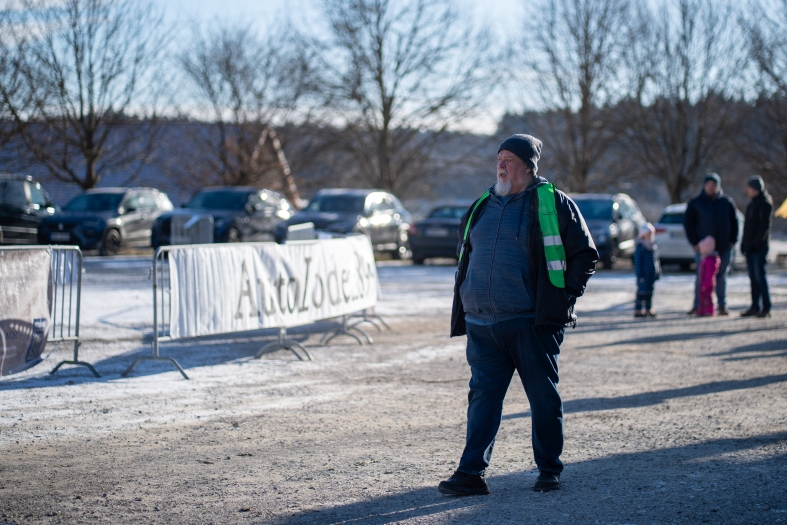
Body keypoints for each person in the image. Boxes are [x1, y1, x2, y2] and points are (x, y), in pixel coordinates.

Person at [439, 134, 598, 496]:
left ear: (528, 166)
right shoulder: (482, 203)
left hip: (531, 323)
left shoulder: (552, 203)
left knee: (542, 398)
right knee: (482, 399)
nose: (501, 165)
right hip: (482, 324)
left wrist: (563, 299)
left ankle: (549, 470)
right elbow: (466, 251)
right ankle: (470, 473)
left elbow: (585, 254)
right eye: (499, 158)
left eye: (509, 159)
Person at [683, 173, 739, 316]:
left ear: (718, 186)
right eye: (708, 184)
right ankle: (698, 305)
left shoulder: (726, 202)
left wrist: (732, 241)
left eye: (714, 185)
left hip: (724, 247)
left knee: (721, 277)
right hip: (704, 250)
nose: (711, 187)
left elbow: (735, 222)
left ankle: (722, 305)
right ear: (704, 185)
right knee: (701, 277)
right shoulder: (695, 203)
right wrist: (695, 243)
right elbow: (688, 225)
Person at [740, 175, 773, 318]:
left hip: (759, 248)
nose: (747, 190)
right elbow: (747, 227)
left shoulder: (765, 204)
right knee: (753, 278)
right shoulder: (750, 204)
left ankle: (766, 307)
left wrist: (756, 244)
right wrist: (743, 243)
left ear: (756, 189)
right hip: (749, 247)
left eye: (749, 187)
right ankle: (755, 306)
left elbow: (764, 228)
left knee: (760, 277)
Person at [634, 223, 660, 318]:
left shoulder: (653, 246)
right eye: (649, 234)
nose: (651, 236)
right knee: (641, 293)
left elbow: (656, 260)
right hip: (643, 275)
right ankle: (638, 310)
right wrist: (639, 275)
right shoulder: (640, 246)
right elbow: (637, 262)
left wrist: (657, 272)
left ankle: (648, 309)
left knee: (650, 292)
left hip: (651, 273)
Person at [696, 235, 720, 316]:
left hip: (707, 283)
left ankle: (709, 310)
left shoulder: (710, 260)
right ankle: (701, 310)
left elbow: (710, 274)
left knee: (708, 297)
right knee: (702, 297)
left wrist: (706, 284)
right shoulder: (704, 258)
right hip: (703, 282)